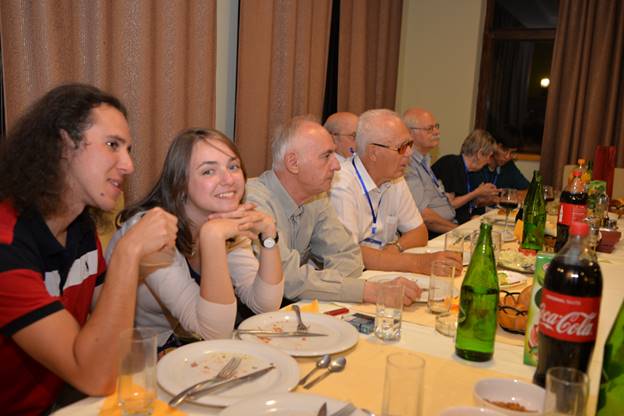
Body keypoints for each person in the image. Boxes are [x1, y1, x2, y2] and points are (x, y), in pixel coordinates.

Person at [0, 84, 178, 414]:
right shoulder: (7, 247)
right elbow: (95, 375)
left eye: (128, 149)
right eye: (113, 145)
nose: (128, 165)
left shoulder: (80, 225)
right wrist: (128, 251)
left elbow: (104, 309)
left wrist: (148, 354)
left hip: (63, 398)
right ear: (64, 145)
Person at [107, 128, 284, 350]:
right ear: (180, 184)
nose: (228, 179)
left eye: (233, 166)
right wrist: (212, 237)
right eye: (208, 171)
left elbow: (266, 305)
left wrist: (268, 233)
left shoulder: (227, 221)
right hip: (131, 355)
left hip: (185, 346)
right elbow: (214, 331)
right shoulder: (152, 231)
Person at [246, 116, 422, 305]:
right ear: (293, 163)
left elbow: (348, 255)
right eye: (326, 156)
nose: (337, 165)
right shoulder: (253, 202)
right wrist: (367, 291)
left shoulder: (316, 197)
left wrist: (331, 288)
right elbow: (285, 277)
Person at [330, 109, 463, 275]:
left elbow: (419, 232)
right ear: (373, 153)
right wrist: (418, 264)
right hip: (349, 278)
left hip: (383, 271)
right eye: (401, 147)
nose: (409, 153)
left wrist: (395, 248)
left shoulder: (395, 178)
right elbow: (350, 254)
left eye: (409, 145)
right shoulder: (341, 184)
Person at [402, 108, 457, 238]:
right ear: (410, 133)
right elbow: (424, 216)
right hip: (432, 234)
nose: (437, 132)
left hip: (447, 227)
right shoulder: (407, 165)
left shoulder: (424, 159)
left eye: (436, 127)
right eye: (429, 129)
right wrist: (459, 230)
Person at [432, 129, 500, 224]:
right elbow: (450, 204)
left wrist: (480, 200)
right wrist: (477, 192)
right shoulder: (451, 164)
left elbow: (465, 205)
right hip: (441, 226)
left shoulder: (470, 171)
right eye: (489, 156)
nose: (489, 161)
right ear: (480, 154)